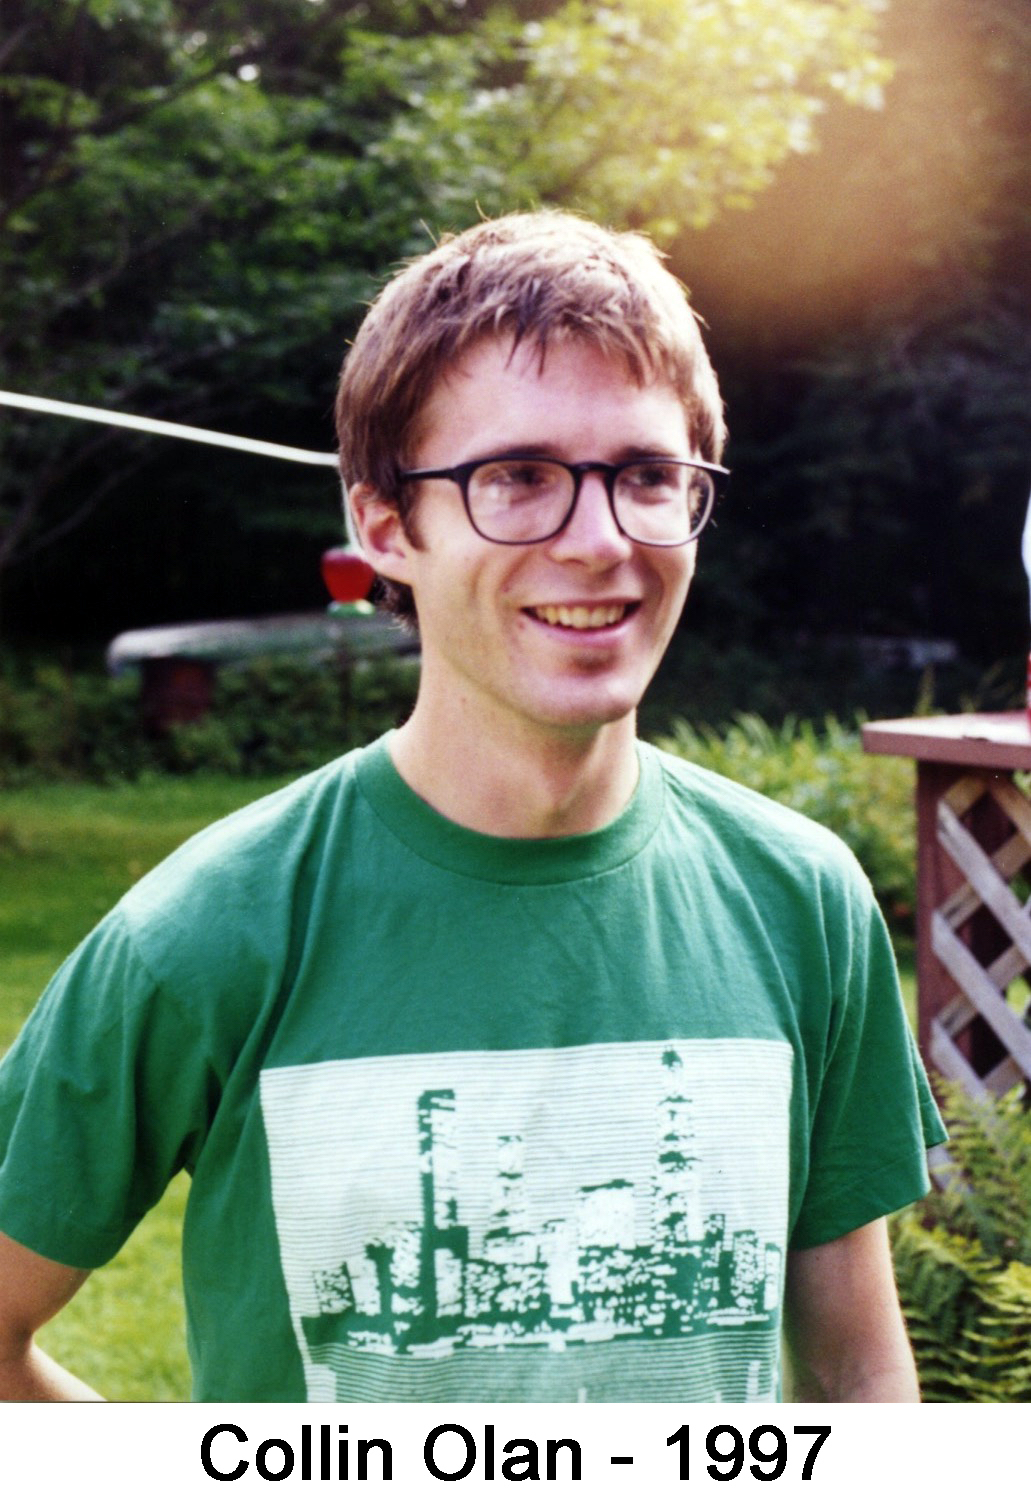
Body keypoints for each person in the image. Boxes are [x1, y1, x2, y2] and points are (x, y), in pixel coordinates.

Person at [0, 210, 944, 1403]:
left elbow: (860, 1378)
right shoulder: (208, 931)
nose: (600, 541)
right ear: (385, 525)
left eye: (648, 477)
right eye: (518, 478)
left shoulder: (801, 900)